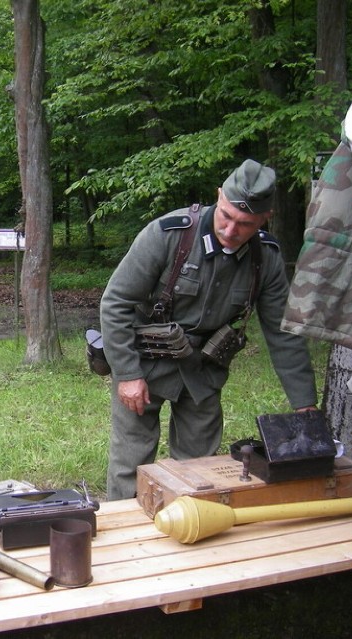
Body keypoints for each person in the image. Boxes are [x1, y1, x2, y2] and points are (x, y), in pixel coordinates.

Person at [100, 159, 318, 500]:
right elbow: (115, 302)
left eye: (245, 224)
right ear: (218, 197)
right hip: (145, 361)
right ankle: (127, 538)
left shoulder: (267, 259)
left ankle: (189, 533)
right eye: (226, 216)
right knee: (131, 462)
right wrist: (127, 374)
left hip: (202, 370)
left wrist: (305, 403)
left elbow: (283, 334)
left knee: (201, 468)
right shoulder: (167, 235)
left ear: (265, 219)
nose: (231, 230)